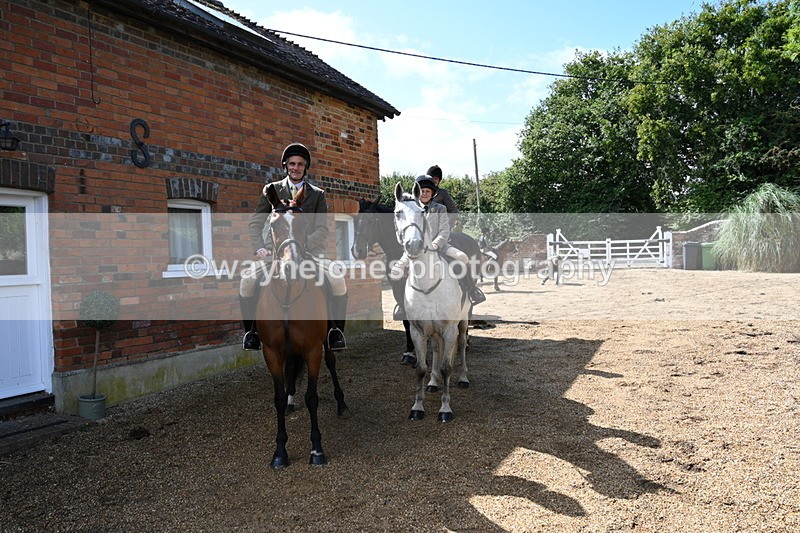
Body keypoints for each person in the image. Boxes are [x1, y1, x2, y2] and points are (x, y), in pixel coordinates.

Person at [238, 143, 347, 351]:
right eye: (292, 164)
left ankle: (335, 332)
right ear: (285, 166)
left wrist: (302, 247)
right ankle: (251, 333)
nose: (295, 168)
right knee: (247, 281)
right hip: (276, 255)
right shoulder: (271, 190)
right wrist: (260, 246)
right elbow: (255, 223)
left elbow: (322, 229)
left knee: (337, 280)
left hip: (310, 253)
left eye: (300, 164)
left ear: (305, 168)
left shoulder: (317, 194)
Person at [389, 174, 485, 319]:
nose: (425, 193)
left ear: (433, 193)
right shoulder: (411, 208)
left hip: (440, 246)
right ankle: (402, 305)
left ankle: (472, 290)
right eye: (422, 191)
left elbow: (444, 231)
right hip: (417, 248)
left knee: (463, 257)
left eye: (428, 191)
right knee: (395, 272)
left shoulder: (439, 208)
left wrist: (435, 244)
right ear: (417, 193)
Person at [426, 165, 461, 232]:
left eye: (436, 178)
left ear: (439, 180)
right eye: (432, 178)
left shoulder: (443, 193)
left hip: (439, 230)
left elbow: (454, 211)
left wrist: (446, 226)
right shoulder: (422, 193)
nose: (433, 180)